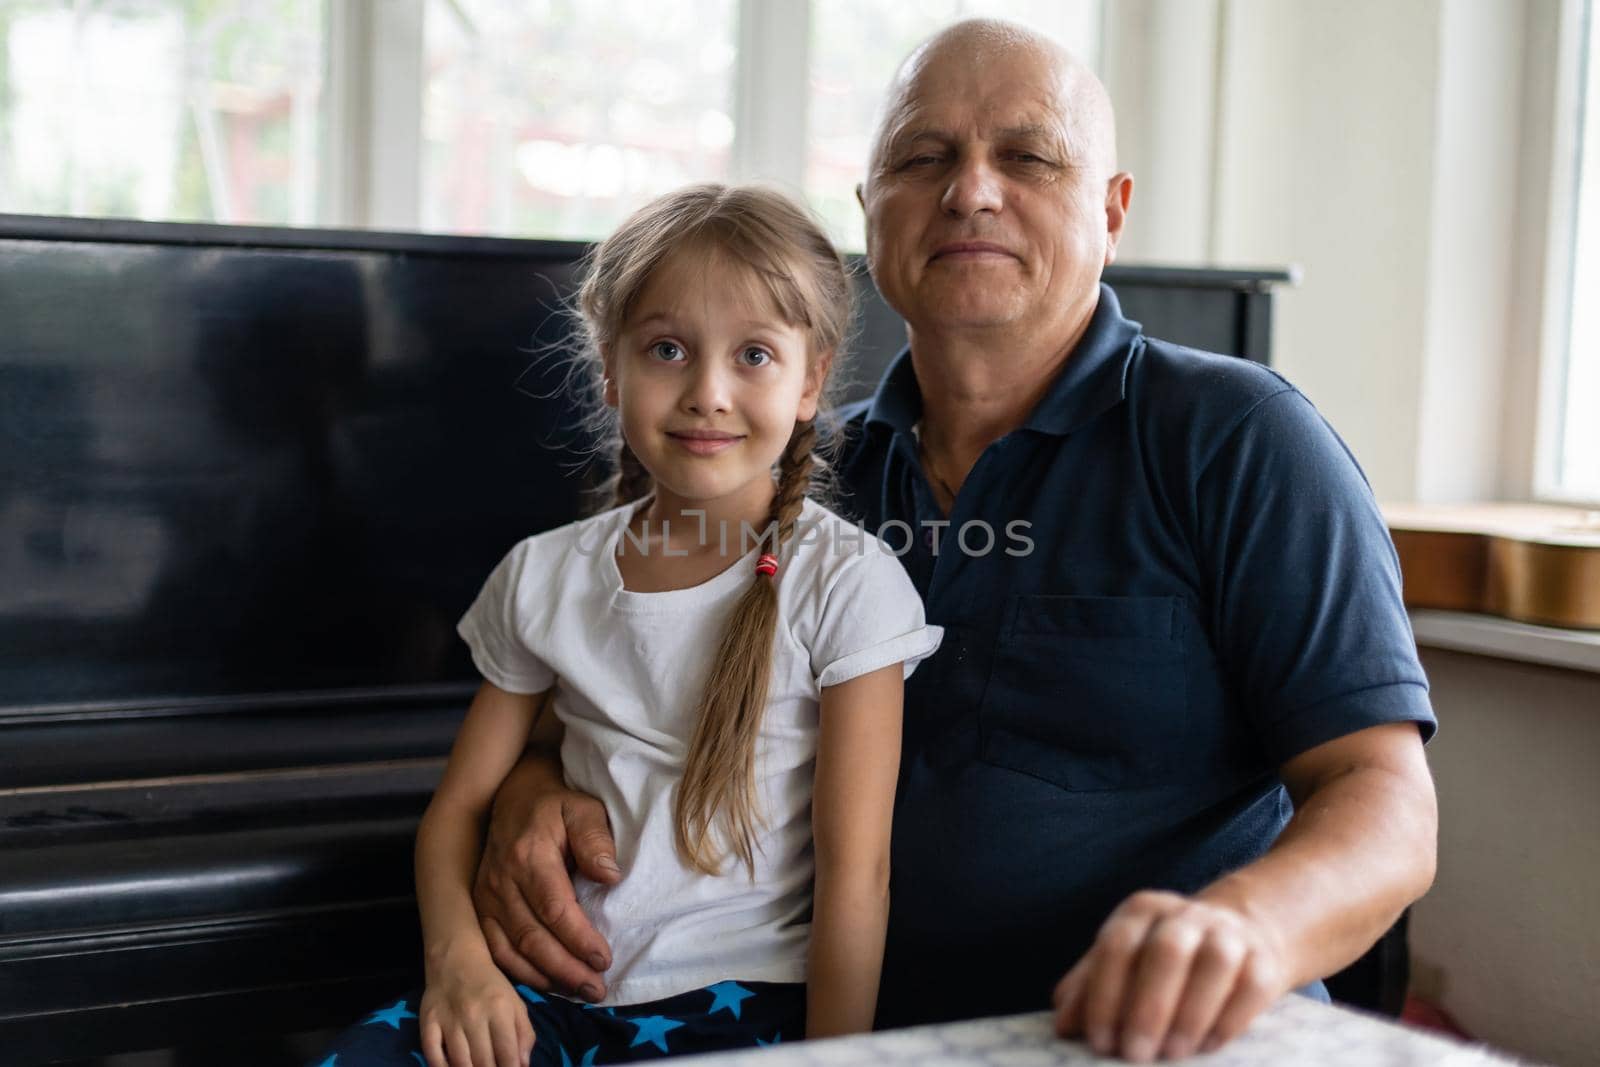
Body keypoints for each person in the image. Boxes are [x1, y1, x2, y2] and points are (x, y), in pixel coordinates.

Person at [471, 18, 1440, 1065]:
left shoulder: (1240, 438)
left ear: (1111, 211)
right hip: (855, 1031)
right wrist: (529, 789)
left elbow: (1382, 799)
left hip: (1163, 1041)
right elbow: (613, 682)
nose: (969, 190)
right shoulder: (786, 476)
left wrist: (1245, 923)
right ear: (869, 216)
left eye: (1025, 155)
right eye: (922, 157)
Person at [312, 184, 942, 1067]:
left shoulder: (850, 583)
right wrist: (460, 966)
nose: (707, 393)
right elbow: (457, 812)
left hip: (745, 1006)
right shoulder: (545, 573)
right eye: (668, 350)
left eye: (754, 353)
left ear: (812, 381)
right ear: (610, 369)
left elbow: (855, 880)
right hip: (549, 994)